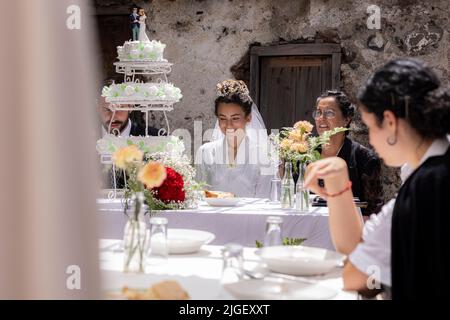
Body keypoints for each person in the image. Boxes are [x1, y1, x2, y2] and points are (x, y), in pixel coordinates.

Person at [304, 58, 450, 299]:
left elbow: (357, 277)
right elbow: (359, 247)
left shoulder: (427, 184)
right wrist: (339, 187)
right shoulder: (426, 169)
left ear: (390, 122)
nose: (371, 139)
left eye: (371, 127)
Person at [307, 90, 384, 216]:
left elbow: (374, 211)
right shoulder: (305, 155)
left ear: (346, 119)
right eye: (318, 112)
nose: (321, 118)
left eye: (329, 113)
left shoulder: (364, 159)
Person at [195, 80, 273, 198]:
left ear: (248, 118)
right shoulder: (206, 151)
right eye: (223, 119)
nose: (229, 125)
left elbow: (265, 200)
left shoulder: (264, 155)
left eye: (235, 118)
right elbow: (199, 195)